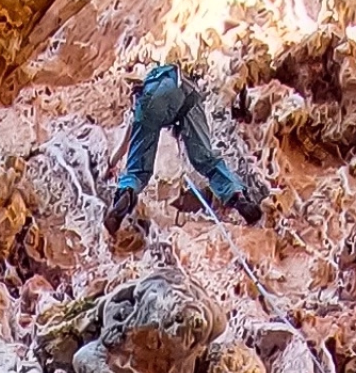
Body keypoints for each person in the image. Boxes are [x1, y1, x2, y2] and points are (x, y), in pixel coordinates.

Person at [106, 59, 264, 239]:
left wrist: (110, 166)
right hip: (186, 92)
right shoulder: (167, 74)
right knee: (206, 160)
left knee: (137, 171)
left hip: (150, 104)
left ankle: (126, 193)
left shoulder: (139, 101)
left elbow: (124, 145)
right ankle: (237, 197)